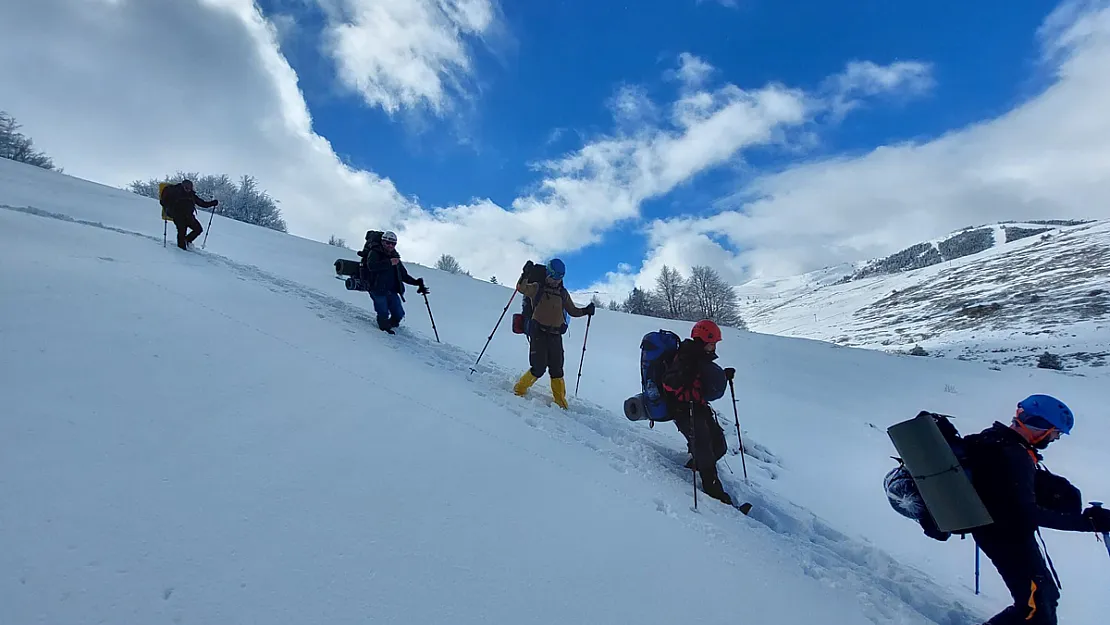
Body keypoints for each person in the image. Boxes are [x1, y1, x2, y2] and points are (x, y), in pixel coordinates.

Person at [961, 394, 1110, 625]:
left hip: (1002, 532)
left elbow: (1010, 492)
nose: (1054, 439)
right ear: (1040, 426)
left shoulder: (996, 440)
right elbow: (1025, 511)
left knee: (1044, 598)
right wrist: (1087, 522)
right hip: (1004, 536)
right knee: (1035, 608)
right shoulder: (1012, 453)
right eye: (1055, 433)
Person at [660, 319, 735, 505]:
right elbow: (668, 383)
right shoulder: (686, 356)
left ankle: (696, 465)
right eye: (712, 343)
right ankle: (714, 490)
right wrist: (684, 377)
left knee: (719, 446)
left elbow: (702, 379)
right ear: (702, 340)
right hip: (684, 410)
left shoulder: (700, 357)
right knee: (704, 448)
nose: (714, 347)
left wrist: (722, 376)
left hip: (699, 407)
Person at [512, 258, 594, 409]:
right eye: (554, 277)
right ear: (548, 274)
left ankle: (560, 401)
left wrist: (585, 311)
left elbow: (572, 311)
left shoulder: (562, 293)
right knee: (538, 367)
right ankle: (519, 389)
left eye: (560, 278)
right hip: (539, 332)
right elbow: (521, 288)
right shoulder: (537, 287)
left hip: (555, 335)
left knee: (557, 369)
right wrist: (525, 274)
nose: (557, 281)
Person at [360, 230, 428, 334]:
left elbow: (403, 275)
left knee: (399, 314)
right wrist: (389, 262)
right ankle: (384, 330)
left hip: (391, 290)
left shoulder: (395, 257)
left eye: (393, 243)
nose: (390, 246)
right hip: (376, 288)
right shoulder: (374, 252)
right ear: (383, 242)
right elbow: (372, 266)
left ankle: (390, 325)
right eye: (388, 243)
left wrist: (416, 282)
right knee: (382, 311)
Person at [159, 179, 218, 250]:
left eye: (190, 188)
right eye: (187, 188)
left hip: (189, 216)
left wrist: (212, 203)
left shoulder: (191, 195)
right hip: (178, 216)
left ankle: (187, 240)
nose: (188, 190)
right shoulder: (175, 192)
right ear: (183, 186)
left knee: (198, 229)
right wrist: (166, 205)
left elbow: (202, 203)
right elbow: (163, 201)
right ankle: (181, 250)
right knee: (182, 232)